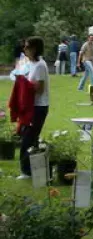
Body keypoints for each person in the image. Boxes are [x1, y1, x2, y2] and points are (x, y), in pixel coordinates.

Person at [17, 37, 50, 180]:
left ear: (34, 49)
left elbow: (40, 89)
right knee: (30, 137)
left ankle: (26, 171)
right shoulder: (32, 64)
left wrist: (25, 85)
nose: (24, 50)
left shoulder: (40, 66)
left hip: (38, 107)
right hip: (32, 107)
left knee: (28, 139)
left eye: (27, 47)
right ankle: (34, 169)